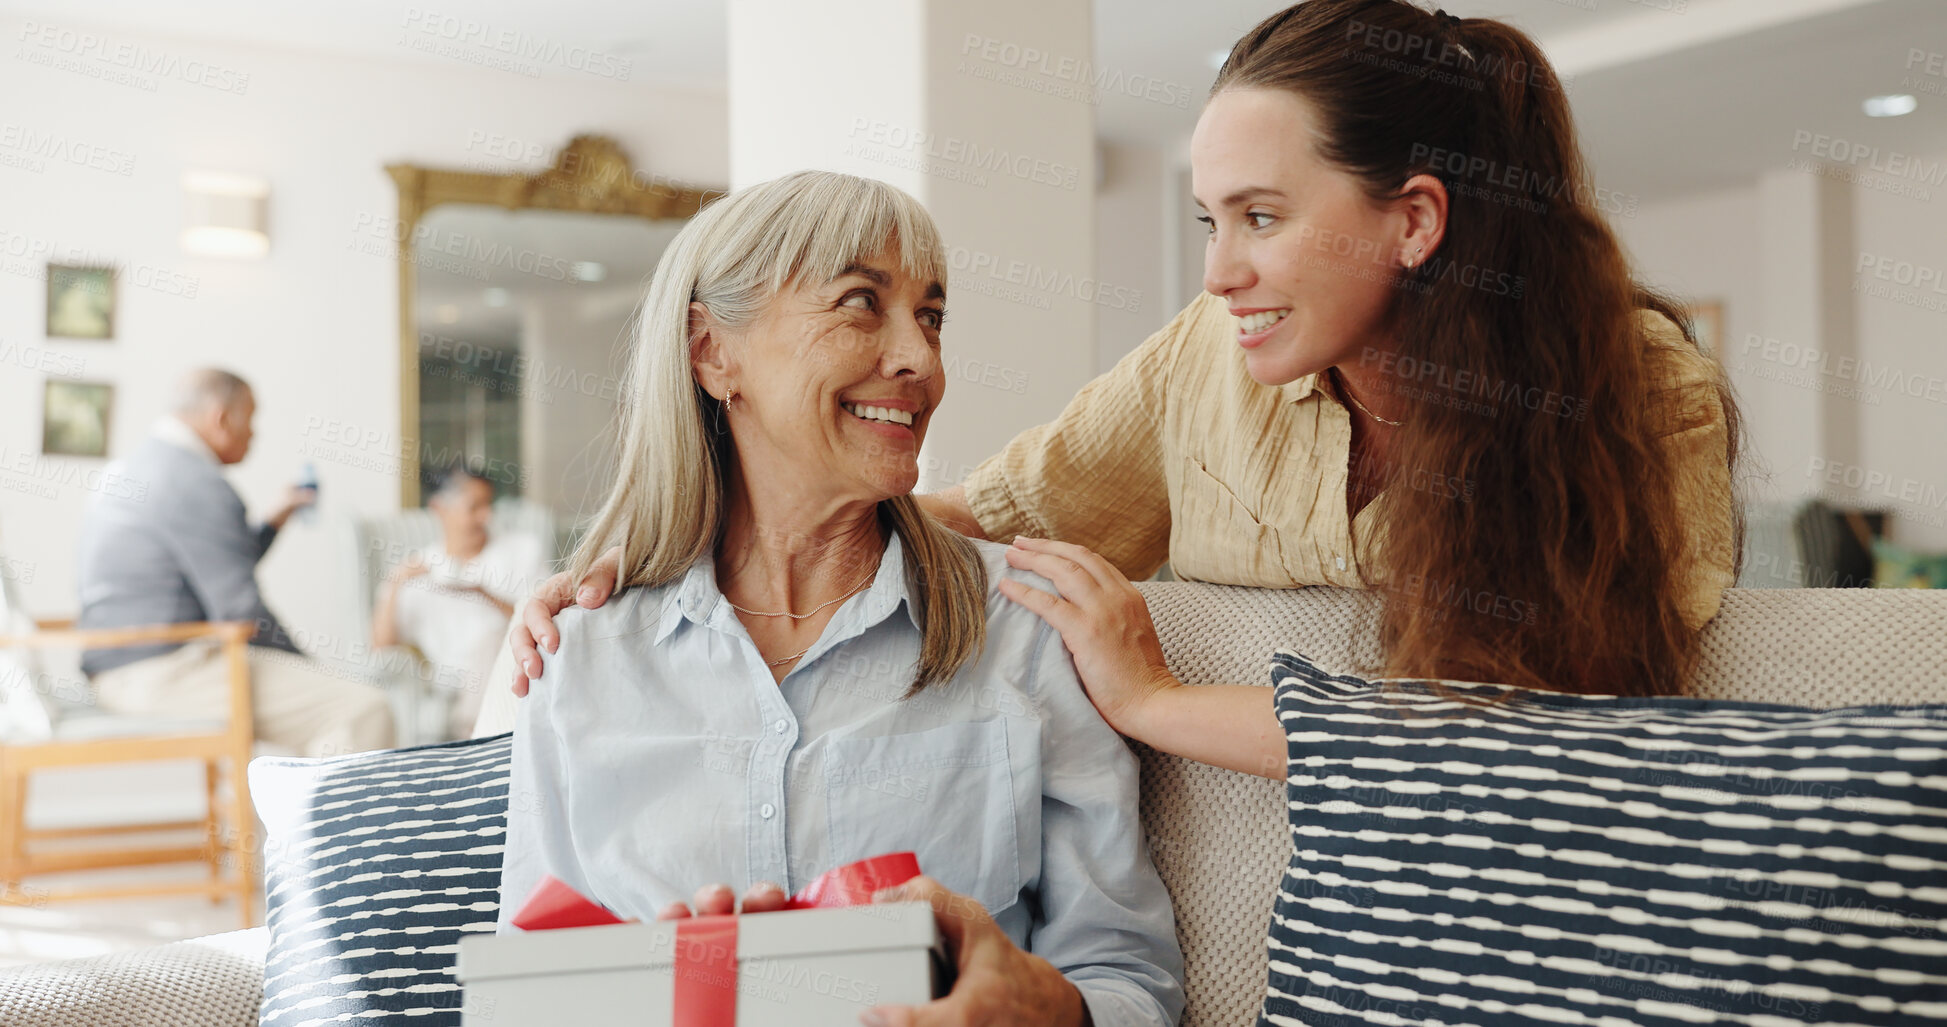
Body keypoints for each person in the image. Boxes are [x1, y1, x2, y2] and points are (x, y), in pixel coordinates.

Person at [514, 0, 1739, 703]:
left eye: (1262, 217)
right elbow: (982, 517)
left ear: (1415, 221)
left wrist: (1159, 700)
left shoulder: (1639, 390)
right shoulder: (1204, 361)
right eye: (1210, 222)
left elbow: (1533, 732)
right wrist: (656, 567)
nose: (1217, 274)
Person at [495, 170, 1183, 1027]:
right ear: (713, 353)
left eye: (930, 317)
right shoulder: (580, 653)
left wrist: (1047, 1010)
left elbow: (1131, 979)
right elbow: (526, 993)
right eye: (861, 303)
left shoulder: (1027, 627)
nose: (919, 361)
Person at [77, 368, 395, 758]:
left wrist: (271, 524)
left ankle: (291, 813)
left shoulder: (136, 467)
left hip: (117, 670)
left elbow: (210, 566)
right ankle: (320, 819)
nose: (254, 433)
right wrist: (311, 670)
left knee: (317, 701)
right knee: (361, 708)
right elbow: (241, 609)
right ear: (222, 418)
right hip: (164, 674)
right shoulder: (196, 481)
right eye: (251, 417)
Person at [371, 462, 545, 738]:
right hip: (457, 683)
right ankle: (479, 737)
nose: (485, 516)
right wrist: (395, 582)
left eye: (489, 505)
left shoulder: (522, 550)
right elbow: (382, 646)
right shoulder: (420, 571)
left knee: (493, 639)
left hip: (517, 666)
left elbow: (543, 617)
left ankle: (477, 739)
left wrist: (484, 594)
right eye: (474, 507)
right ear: (440, 509)